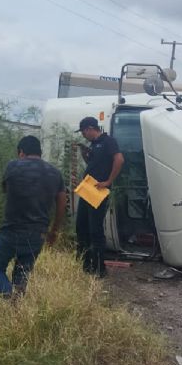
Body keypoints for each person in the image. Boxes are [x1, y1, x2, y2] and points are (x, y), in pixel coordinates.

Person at [0, 135, 67, 297]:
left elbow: (5, 190)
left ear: (21, 152)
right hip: (38, 233)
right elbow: (62, 204)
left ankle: (8, 296)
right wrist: (54, 231)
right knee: (22, 272)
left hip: (11, 230)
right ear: (40, 152)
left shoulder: (13, 166)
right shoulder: (55, 173)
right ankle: (18, 305)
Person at [75, 116, 124, 277]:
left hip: (98, 190)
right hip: (88, 188)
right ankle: (85, 264)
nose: (83, 135)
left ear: (90, 128)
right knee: (81, 226)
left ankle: (99, 268)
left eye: (83, 132)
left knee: (95, 228)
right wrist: (85, 154)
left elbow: (119, 159)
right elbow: (94, 164)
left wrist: (109, 181)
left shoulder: (108, 141)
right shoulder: (94, 144)